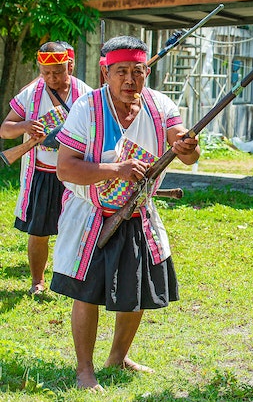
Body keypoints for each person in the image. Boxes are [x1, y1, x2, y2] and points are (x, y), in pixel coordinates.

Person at [50, 35, 200, 391]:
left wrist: (187, 146)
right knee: (86, 293)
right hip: (91, 215)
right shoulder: (86, 108)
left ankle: (118, 357)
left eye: (138, 71)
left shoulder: (159, 105)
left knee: (135, 289)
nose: (131, 80)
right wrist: (114, 170)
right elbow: (65, 169)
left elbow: (186, 149)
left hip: (138, 213)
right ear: (105, 74)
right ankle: (84, 370)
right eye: (121, 72)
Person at [0, 41, 92, 295]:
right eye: (46, 73)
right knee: (38, 231)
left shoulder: (85, 93)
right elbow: (5, 130)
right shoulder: (30, 94)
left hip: (73, 173)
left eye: (58, 72)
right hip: (41, 172)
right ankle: (37, 282)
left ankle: (70, 282)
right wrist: (25, 126)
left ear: (70, 66)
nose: (52, 78)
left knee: (75, 229)